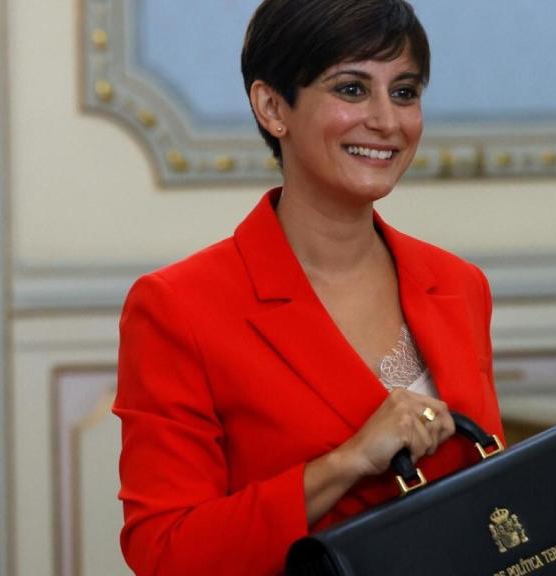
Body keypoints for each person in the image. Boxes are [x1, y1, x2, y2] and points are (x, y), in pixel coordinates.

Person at [113, 0, 503, 574]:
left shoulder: (459, 284)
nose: (387, 122)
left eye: (404, 92)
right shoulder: (177, 308)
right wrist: (346, 462)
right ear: (272, 107)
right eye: (351, 90)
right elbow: (166, 552)